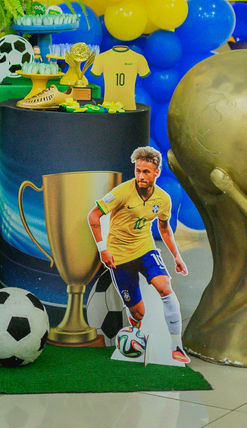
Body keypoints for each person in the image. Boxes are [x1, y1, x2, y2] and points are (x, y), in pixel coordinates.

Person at [87, 146, 189, 363]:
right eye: (138, 171)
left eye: (146, 172)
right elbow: (93, 216)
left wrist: (177, 256)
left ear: (156, 173)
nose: (141, 176)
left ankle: (176, 346)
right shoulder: (122, 192)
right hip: (119, 257)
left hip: (145, 248)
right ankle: (135, 333)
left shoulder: (163, 199)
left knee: (165, 287)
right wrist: (103, 249)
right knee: (138, 313)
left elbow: (164, 229)